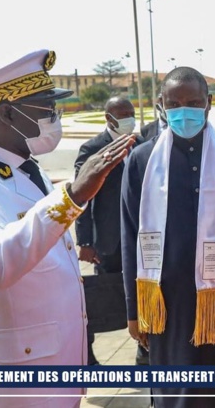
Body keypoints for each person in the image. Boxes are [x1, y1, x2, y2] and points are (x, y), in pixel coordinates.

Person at [0, 49, 135, 408]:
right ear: (8, 112)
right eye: (45, 107)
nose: (54, 116)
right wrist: (71, 196)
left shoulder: (30, 169)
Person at [121, 66, 215, 408]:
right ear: (160, 105)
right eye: (173, 103)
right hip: (165, 309)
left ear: (209, 103)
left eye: (193, 102)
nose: (183, 111)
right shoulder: (142, 161)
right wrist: (133, 309)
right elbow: (130, 237)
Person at [74, 96, 147, 366]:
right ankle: (87, 353)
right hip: (108, 240)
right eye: (123, 113)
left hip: (142, 237)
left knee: (144, 293)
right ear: (109, 118)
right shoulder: (92, 148)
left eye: (131, 111)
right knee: (105, 296)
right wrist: (85, 241)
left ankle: (145, 350)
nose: (130, 117)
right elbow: (81, 197)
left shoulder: (141, 145)